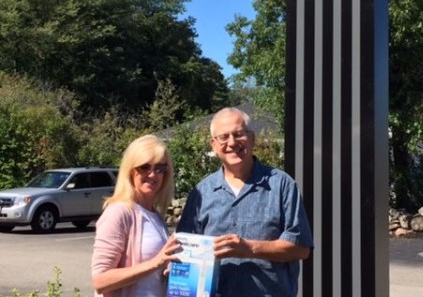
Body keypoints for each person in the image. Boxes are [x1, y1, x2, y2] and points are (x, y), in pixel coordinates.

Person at [176, 107, 313, 297]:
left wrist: (248, 249)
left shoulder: (282, 185)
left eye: (239, 134)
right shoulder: (201, 193)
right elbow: (184, 250)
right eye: (224, 137)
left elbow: (300, 248)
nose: (232, 142)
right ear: (213, 145)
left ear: (252, 139)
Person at [91, 134, 180, 297]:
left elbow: (151, 274)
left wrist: (166, 269)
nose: (153, 175)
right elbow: (100, 280)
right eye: (144, 167)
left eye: (160, 168)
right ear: (130, 170)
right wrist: (156, 262)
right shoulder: (119, 212)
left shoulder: (155, 215)